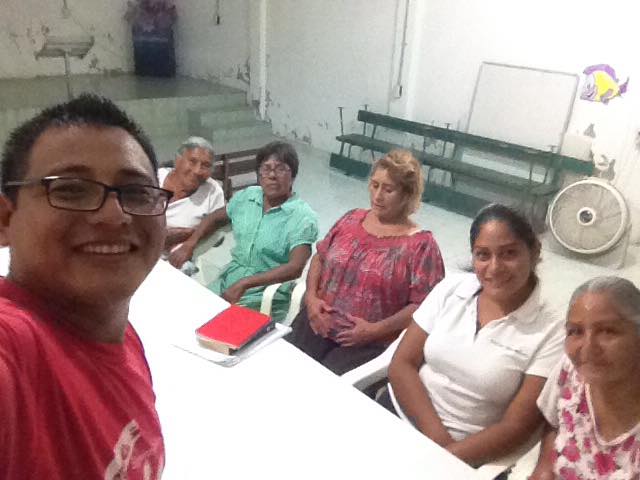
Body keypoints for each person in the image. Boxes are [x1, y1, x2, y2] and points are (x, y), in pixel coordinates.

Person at [0, 94, 168, 479]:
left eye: (136, 192)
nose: (114, 216)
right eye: (71, 190)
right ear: (5, 219)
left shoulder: (123, 338)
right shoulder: (13, 355)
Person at [386, 203, 564, 467]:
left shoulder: (552, 330)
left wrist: (445, 460)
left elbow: (517, 427)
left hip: (469, 455)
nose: (494, 268)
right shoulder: (452, 289)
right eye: (483, 255)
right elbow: (402, 364)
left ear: (534, 252)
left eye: (509, 253)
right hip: (400, 416)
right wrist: (438, 443)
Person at [287, 149, 445, 375]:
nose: (378, 196)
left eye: (388, 189)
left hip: (368, 342)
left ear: (407, 195)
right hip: (317, 321)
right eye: (374, 185)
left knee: (324, 385)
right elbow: (320, 257)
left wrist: (374, 331)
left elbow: (423, 306)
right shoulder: (351, 219)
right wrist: (311, 299)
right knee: (284, 369)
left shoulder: (421, 246)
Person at [171, 141, 318, 319]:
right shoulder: (248, 197)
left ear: (293, 176)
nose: (272, 175)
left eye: (280, 169)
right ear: (259, 175)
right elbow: (215, 218)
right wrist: (190, 244)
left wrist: (246, 283)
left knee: (217, 327)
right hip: (228, 281)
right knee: (186, 314)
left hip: (265, 295)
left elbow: (295, 267)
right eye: (266, 169)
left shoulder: (302, 217)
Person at [531, 277, 640, 480]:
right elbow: (555, 423)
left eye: (607, 331)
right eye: (575, 332)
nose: (588, 347)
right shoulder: (570, 370)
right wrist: (545, 466)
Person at [160, 136, 225, 274]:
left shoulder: (213, 192)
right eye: (192, 161)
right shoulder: (154, 178)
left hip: (177, 263)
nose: (197, 170)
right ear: (177, 160)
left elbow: (217, 228)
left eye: (205, 165)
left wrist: (187, 236)